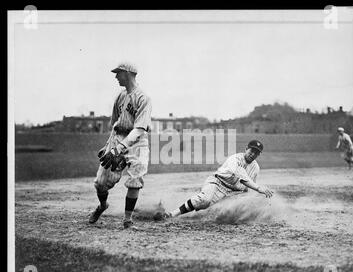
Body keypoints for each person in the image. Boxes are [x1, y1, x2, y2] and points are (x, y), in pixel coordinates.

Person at [89, 62, 152, 229]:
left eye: (119, 73)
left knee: (135, 179)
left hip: (138, 141)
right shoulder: (120, 96)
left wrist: (118, 149)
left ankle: (127, 220)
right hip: (118, 138)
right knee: (100, 183)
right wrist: (109, 145)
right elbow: (115, 123)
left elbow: (139, 129)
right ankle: (103, 206)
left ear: (128, 73)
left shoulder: (143, 98)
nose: (116, 76)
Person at [154, 140, 274, 220]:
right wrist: (258, 188)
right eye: (252, 150)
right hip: (217, 183)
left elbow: (247, 188)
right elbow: (243, 179)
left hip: (233, 192)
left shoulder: (256, 168)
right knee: (205, 201)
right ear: (246, 149)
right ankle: (170, 214)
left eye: (257, 153)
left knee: (236, 208)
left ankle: (197, 213)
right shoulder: (235, 159)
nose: (253, 154)